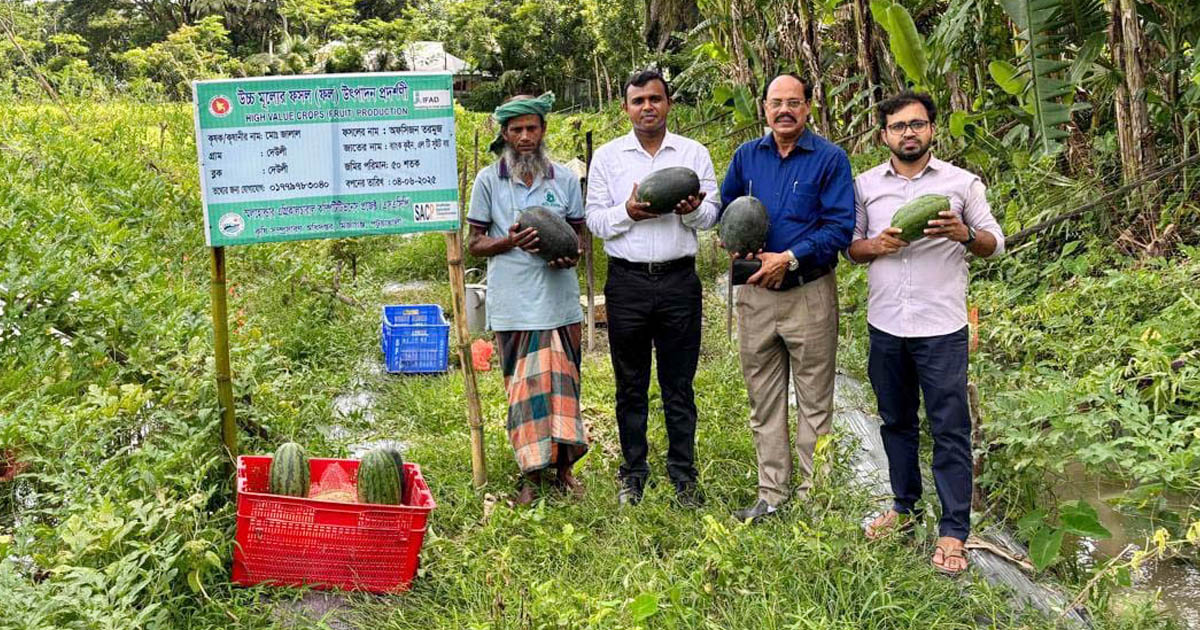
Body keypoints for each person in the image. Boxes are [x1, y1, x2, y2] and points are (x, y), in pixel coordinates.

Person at [849, 91, 1004, 575]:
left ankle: (954, 530)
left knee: (950, 429)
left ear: (932, 130)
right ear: (884, 136)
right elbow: (851, 248)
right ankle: (904, 508)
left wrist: (964, 234)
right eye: (898, 127)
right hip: (887, 324)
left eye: (917, 124)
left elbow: (994, 244)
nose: (908, 133)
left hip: (942, 327)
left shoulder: (961, 184)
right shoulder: (865, 186)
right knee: (895, 422)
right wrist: (875, 244)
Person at [719, 73, 855, 522]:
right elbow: (726, 213)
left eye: (793, 102)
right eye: (776, 102)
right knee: (764, 399)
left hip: (809, 291)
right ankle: (771, 494)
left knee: (815, 399)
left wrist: (790, 258)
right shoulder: (745, 157)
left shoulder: (830, 160)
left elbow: (839, 227)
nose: (784, 110)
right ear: (764, 108)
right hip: (756, 295)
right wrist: (743, 250)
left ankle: (817, 500)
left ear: (809, 107)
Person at [585, 70, 720, 508]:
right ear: (626, 108)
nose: (647, 107)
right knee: (631, 384)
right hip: (627, 283)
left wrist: (692, 211)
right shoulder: (607, 157)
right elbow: (595, 220)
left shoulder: (693, 154)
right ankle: (633, 473)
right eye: (638, 100)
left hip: (679, 279)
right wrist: (627, 212)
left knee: (679, 384)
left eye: (655, 99)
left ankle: (683, 475)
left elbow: (712, 215)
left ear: (668, 104)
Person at [466, 93, 589, 506]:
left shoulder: (565, 180)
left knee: (564, 385)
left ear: (543, 130)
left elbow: (579, 238)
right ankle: (531, 474)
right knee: (524, 392)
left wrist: (570, 254)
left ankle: (564, 468)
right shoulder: (488, 180)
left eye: (531, 128)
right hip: (514, 305)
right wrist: (510, 242)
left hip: (560, 303)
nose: (524, 136)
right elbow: (475, 244)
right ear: (504, 133)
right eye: (516, 129)